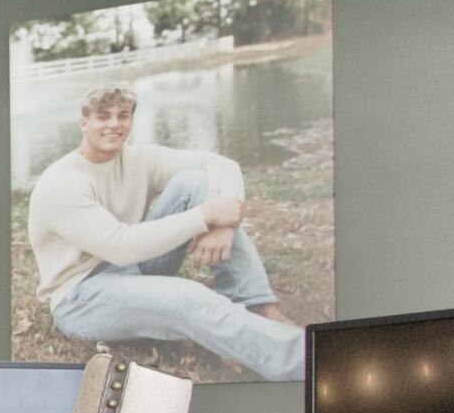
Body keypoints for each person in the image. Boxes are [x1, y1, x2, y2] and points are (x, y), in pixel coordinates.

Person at [26, 84, 302, 381]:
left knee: (194, 182)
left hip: (130, 268)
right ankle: (306, 360)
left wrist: (224, 224)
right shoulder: (63, 182)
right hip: (81, 296)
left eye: (123, 116)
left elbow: (219, 163)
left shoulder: (137, 158)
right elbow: (119, 246)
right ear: (84, 123)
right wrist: (206, 216)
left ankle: (256, 305)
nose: (114, 124)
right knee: (190, 299)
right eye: (103, 116)